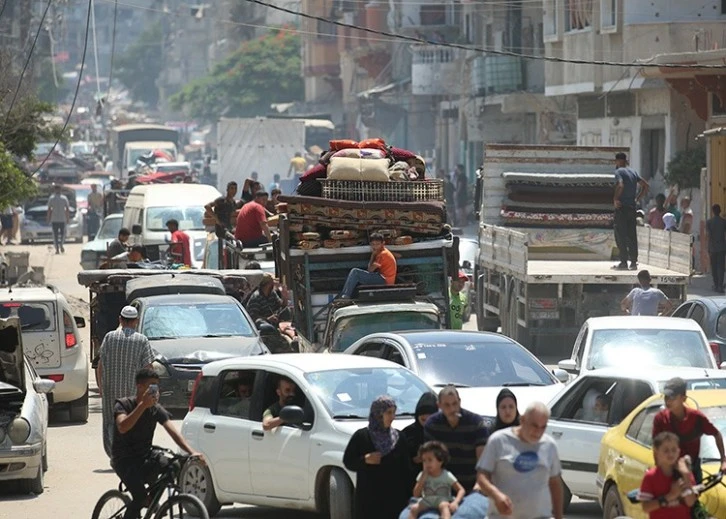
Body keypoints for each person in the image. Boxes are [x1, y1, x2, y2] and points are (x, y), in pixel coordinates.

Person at [112, 368, 203, 519]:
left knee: (173, 465)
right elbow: (123, 427)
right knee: (139, 497)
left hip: (145, 456)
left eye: (156, 387)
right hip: (124, 460)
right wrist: (142, 406)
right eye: (151, 386)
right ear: (140, 387)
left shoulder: (155, 409)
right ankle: (142, 502)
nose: (155, 391)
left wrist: (191, 451)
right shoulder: (124, 404)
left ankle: (153, 502)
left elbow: (173, 431)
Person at [476, 401, 563, 519]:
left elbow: (555, 483)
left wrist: (559, 516)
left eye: (543, 427)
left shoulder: (549, 445)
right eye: (534, 425)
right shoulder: (499, 440)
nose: (538, 432)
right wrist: (496, 495)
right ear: (522, 420)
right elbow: (482, 476)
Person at [97, 306, 155, 458]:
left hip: (111, 392)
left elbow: (101, 365)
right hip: (132, 393)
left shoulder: (110, 337)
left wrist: (101, 387)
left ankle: (114, 454)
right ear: (136, 321)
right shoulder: (142, 340)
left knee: (111, 422)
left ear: (120, 320)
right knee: (132, 421)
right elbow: (148, 368)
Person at [343, 395, 411, 519]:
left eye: (394, 412)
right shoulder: (362, 437)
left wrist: (409, 498)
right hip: (369, 501)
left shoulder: (399, 438)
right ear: (378, 414)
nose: (392, 417)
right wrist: (365, 460)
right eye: (388, 413)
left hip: (394, 501)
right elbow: (348, 461)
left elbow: (406, 470)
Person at [652, 377, 726, 483]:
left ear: (683, 398)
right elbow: (656, 447)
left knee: (694, 498)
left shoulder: (696, 417)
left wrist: (723, 460)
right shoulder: (660, 419)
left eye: (672, 397)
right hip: (670, 474)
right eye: (666, 397)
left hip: (693, 472)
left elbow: (716, 434)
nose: (668, 401)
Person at [424, 386, 489, 493]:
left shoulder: (475, 423)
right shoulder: (432, 425)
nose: (452, 409)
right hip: (444, 486)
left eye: (455, 404)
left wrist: (479, 484)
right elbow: (430, 459)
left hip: (472, 485)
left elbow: (482, 460)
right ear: (439, 405)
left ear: (459, 402)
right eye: (447, 405)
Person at [638, 431, 697, 519]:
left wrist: (686, 476)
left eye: (674, 450)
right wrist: (670, 496)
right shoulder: (651, 477)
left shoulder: (684, 474)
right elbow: (646, 507)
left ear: (679, 451)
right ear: (657, 452)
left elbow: (690, 502)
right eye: (666, 450)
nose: (670, 454)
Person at [408, 441, 466, 519]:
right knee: (414, 508)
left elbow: (461, 490)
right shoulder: (422, 475)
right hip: (427, 500)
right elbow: (416, 494)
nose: (426, 464)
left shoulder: (446, 475)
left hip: (442, 499)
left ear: (440, 461)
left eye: (430, 460)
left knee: (444, 507)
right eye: (424, 461)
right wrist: (422, 479)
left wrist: (456, 502)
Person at [613, 152, 649, 270]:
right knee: (632, 235)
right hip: (632, 208)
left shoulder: (619, 172)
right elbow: (645, 185)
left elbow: (621, 185)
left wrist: (616, 198)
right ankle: (633, 262)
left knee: (620, 235)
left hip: (622, 208)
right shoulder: (633, 172)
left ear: (618, 161)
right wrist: (637, 199)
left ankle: (623, 262)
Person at [339, 232, 397, 298]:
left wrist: (373, 255)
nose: (375, 247)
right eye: (373, 244)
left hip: (385, 281)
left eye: (377, 244)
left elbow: (370, 270)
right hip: (383, 278)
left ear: (383, 243)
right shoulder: (383, 251)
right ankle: (344, 294)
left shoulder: (382, 254)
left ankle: (346, 295)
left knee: (355, 272)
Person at [402, 392, 439, 480]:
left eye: (429, 417)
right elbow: (400, 459)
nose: (426, 420)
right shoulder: (407, 433)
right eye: (423, 418)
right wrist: (413, 460)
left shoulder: (441, 431)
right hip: (413, 480)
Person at [706, 204, 726, 293]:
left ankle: (716, 284)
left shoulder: (709, 222)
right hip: (722, 247)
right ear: (720, 211)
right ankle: (720, 286)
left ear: (713, 211)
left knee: (714, 267)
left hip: (713, 247)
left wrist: (708, 247)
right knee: (721, 267)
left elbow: (709, 236)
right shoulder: (724, 221)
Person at [46, 183, 71, 254]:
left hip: (58, 219)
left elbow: (66, 209)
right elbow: (50, 209)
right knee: (60, 234)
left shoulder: (54, 198)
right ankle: (59, 246)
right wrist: (68, 218)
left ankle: (59, 246)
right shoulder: (61, 198)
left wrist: (48, 218)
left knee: (58, 235)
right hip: (59, 219)